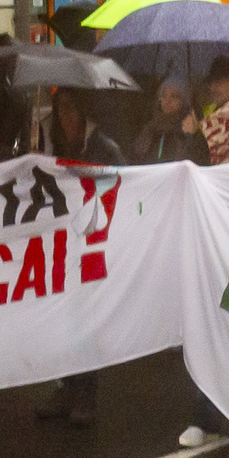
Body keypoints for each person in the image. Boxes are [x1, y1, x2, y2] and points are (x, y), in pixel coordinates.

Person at [32, 88, 126, 428]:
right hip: (62, 247)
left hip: (91, 245)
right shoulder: (54, 146)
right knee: (62, 319)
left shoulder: (103, 148)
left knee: (85, 319)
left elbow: (117, 191)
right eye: (59, 111)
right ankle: (65, 387)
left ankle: (85, 390)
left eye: (71, 109)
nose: (64, 117)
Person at [130, 76, 192, 163]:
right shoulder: (151, 127)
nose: (167, 101)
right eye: (164, 95)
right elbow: (135, 157)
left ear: (183, 100)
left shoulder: (188, 129)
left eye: (174, 96)